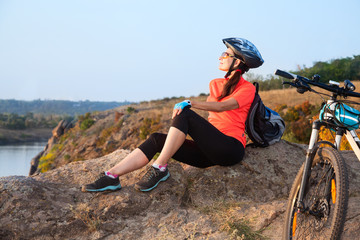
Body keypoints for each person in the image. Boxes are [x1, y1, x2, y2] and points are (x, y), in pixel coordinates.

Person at [82, 38, 264, 192]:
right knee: (156, 139)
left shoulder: (247, 88)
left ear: (238, 62)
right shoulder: (216, 84)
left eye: (226, 54)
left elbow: (224, 106)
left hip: (229, 149)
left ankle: (160, 168)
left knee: (185, 113)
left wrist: (191, 103)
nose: (220, 57)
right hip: (207, 152)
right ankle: (112, 176)